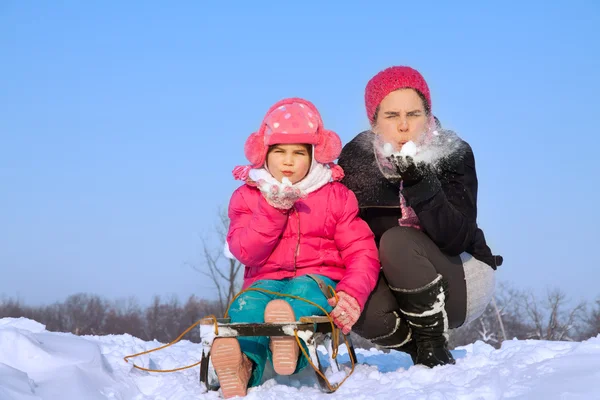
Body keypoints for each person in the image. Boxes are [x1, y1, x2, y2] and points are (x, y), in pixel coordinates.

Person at [337, 66, 503, 368]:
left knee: (397, 241)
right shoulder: (356, 160)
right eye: (391, 116)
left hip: (461, 277)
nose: (403, 126)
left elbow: (457, 238)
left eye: (414, 114)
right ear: (374, 123)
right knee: (355, 302)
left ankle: (433, 346)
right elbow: (339, 225)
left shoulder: (452, 153)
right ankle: (421, 348)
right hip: (396, 286)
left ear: (427, 116)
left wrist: (419, 182)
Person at [215, 97, 380, 398]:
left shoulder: (335, 196)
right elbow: (245, 251)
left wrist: (352, 293)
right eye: (279, 152)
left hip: (317, 280)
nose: (288, 161)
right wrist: (273, 210)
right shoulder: (248, 197)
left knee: (301, 298)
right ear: (264, 154)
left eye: (298, 153)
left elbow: (361, 251)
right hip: (263, 283)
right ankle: (242, 365)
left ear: (315, 156)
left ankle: (292, 345)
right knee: (246, 308)